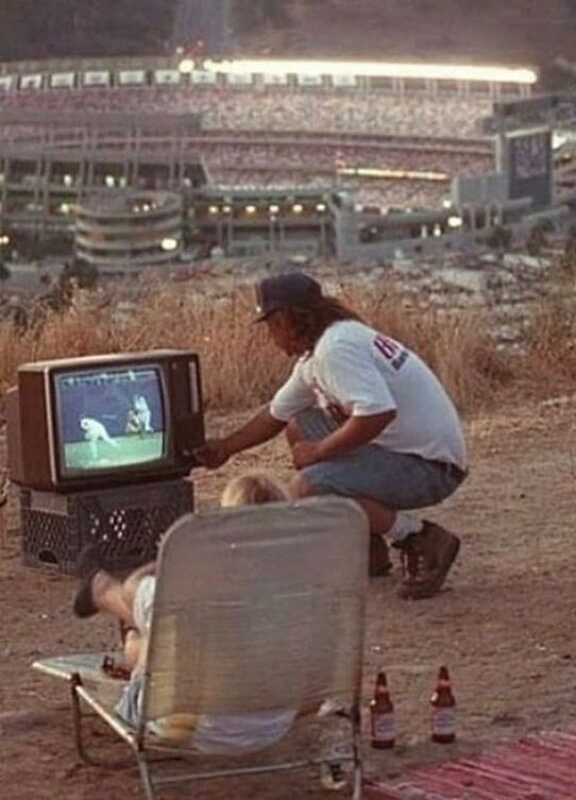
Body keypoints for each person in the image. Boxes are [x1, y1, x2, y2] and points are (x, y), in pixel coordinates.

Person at [195, 270, 467, 600]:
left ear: (284, 319)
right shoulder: (328, 346)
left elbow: (378, 413)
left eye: (270, 326)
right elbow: (276, 414)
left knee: (309, 487)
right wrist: (226, 448)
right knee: (299, 423)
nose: (270, 336)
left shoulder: (335, 350)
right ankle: (365, 539)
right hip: (418, 453)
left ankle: (419, 537)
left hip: (430, 469)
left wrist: (319, 451)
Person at [71, 472, 296, 752]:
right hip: (273, 725)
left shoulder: (190, 590)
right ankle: (104, 596)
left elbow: (132, 588)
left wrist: (170, 559)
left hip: (193, 729)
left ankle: (100, 590)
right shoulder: (309, 593)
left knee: (147, 634)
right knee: (160, 636)